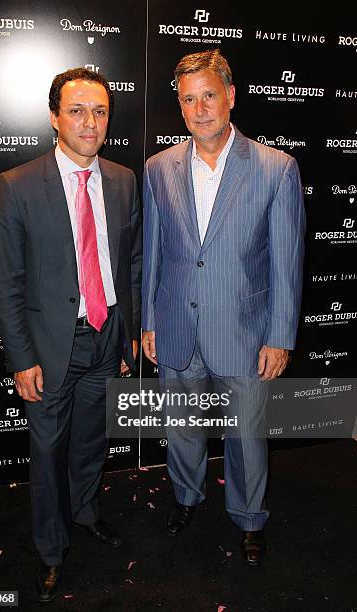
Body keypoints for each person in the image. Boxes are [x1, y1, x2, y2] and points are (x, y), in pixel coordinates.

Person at [142, 49, 305, 566]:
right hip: (176, 324)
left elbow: (286, 260)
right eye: (189, 100)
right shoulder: (158, 168)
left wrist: (280, 335)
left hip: (245, 329)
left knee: (247, 436)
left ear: (230, 96)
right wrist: (149, 321)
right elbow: (152, 254)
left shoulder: (276, 168)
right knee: (182, 424)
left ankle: (250, 517)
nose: (200, 109)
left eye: (209, 95)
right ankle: (187, 497)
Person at [0, 67, 142, 601]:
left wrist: (128, 335)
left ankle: (85, 512)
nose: (89, 122)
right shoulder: (17, 185)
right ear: (55, 116)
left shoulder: (123, 180)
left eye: (99, 111)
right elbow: (6, 282)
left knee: (91, 442)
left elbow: (132, 263)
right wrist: (20, 358)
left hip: (107, 338)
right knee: (48, 454)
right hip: (51, 348)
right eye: (77, 110)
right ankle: (51, 551)